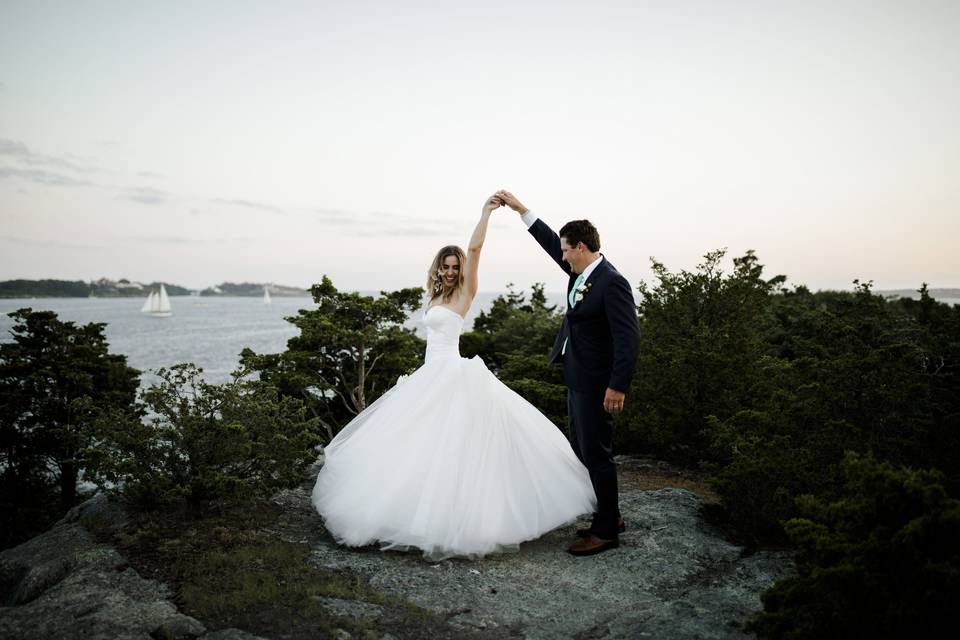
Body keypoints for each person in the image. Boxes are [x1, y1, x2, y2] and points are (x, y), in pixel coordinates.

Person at [311, 194, 596, 561]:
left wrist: (485, 214)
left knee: (455, 448)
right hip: (429, 374)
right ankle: (407, 511)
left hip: (453, 373)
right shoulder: (433, 296)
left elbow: (475, 249)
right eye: (444, 266)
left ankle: (452, 519)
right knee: (418, 447)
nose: (449, 271)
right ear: (437, 268)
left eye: (453, 266)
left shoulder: (464, 292)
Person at [495, 189, 640, 557]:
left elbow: (629, 339)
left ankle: (606, 531)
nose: (561, 256)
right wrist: (522, 211)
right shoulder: (583, 271)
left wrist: (617, 387)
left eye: (565, 250)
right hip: (578, 379)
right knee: (581, 448)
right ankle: (610, 514)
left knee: (597, 453)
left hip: (597, 384)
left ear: (579, 247)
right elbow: (547, 242)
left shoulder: (612, 281)